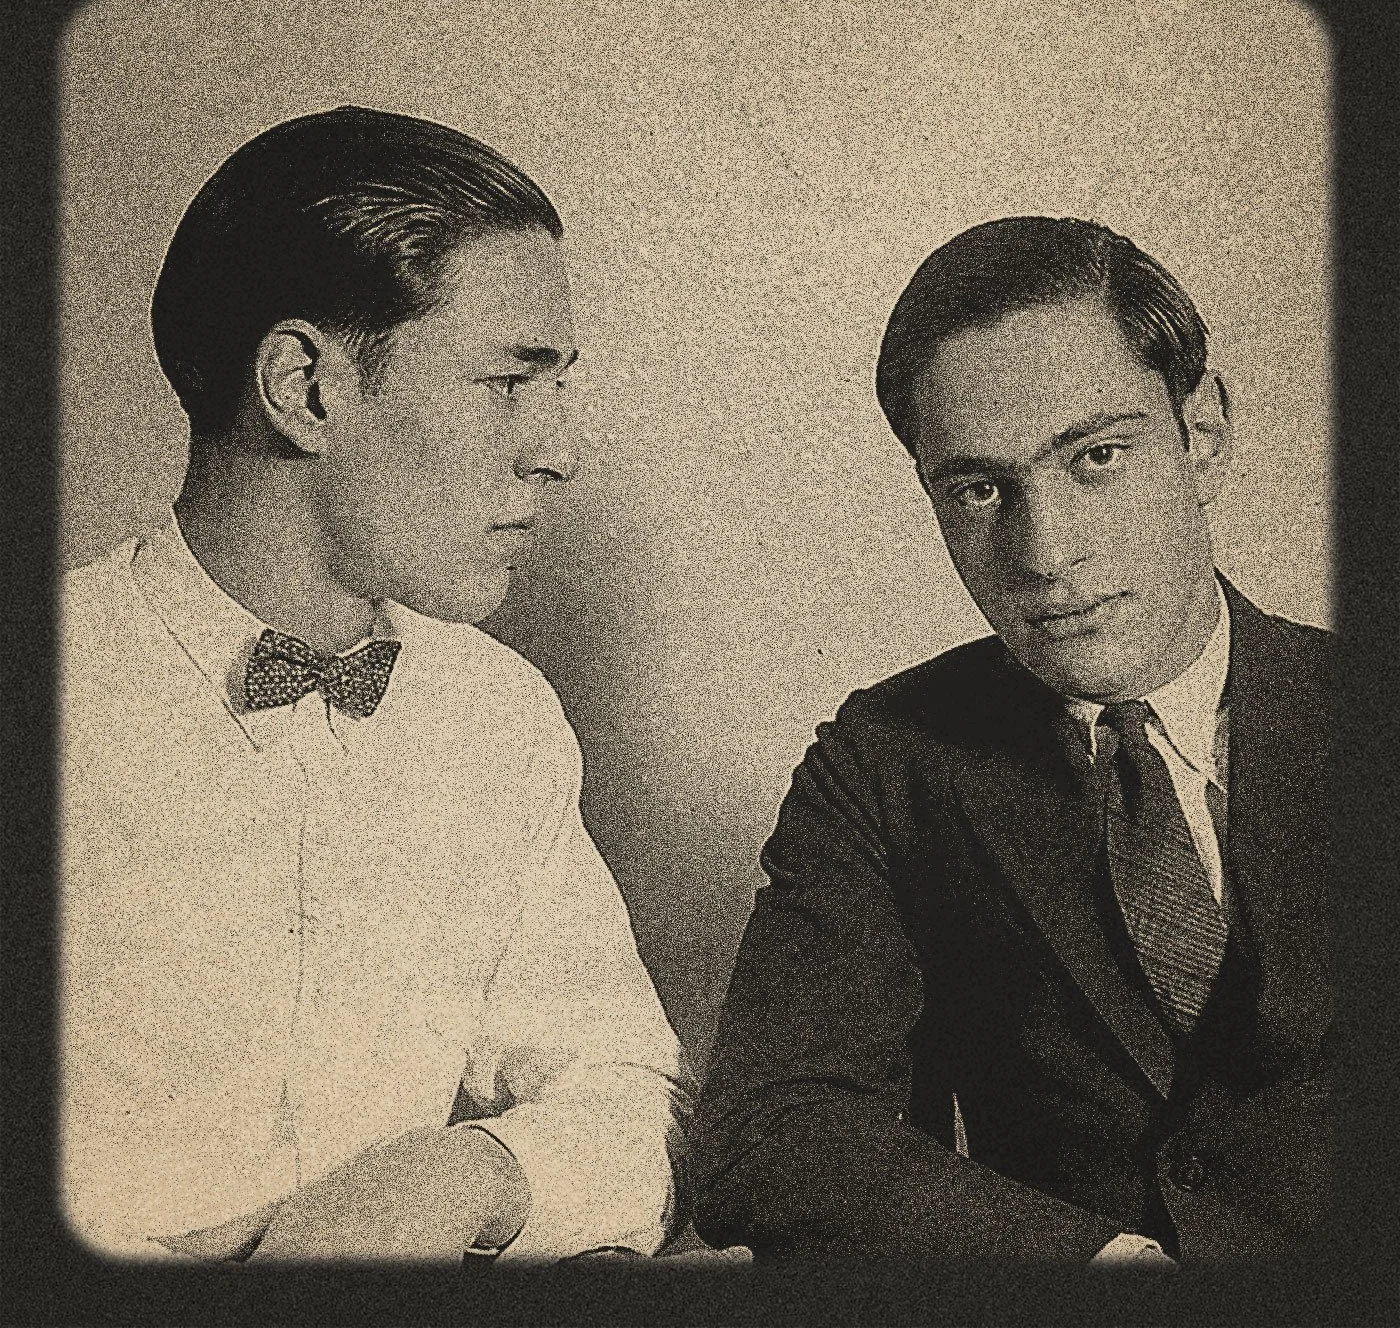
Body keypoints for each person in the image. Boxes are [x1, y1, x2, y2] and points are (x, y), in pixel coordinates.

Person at [59, 106, 690, 1264]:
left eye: (557, 384)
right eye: (508, 382)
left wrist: (466, 1173)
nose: (558, 451)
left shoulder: (496, 715)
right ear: (303, 387)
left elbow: (631, 1092)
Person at [693, 217, 1331, 1266]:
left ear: (1203, 433)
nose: (1044, 552)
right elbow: (770, 1136)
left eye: (1096, 456)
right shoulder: (885, 760)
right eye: (980, 490)